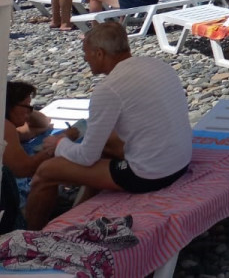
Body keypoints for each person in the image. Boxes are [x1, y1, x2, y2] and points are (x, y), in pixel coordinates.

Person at [24, 23, 193, 230]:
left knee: (46, 171)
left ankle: (31, 235)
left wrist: (58, 145)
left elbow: (87, 157)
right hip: (180, 160)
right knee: (105, 143)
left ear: (100, 53)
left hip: (150, 174)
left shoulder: (108, 89)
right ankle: (82, 208)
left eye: (86, 54)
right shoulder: (157, 65)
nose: (85, 59)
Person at [4, 81, 65, 216]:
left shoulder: (10, 128)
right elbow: (25, 169)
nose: (29, 110)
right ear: (9, 105)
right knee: (50, 172)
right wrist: (53, 147)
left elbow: (43, 123)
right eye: (27, 106)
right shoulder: (4, 126)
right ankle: (31, 228)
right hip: (9, 205)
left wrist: (23, 108)